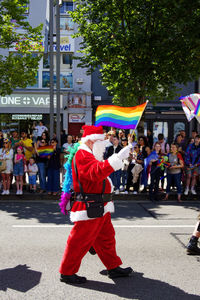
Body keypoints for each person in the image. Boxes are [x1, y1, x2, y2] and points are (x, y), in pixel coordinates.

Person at [59, 125, 133, 284]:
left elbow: (99, 168)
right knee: (79, 241)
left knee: (106, 238)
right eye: (102, 142)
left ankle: (113, 267)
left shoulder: (89, 153)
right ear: (92, 141)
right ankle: (67, 272)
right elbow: (96, 173)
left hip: (99, 204)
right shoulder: (83, 154)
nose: (105, 145)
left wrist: (118, 157)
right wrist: (117, 158)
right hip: (90, 205)